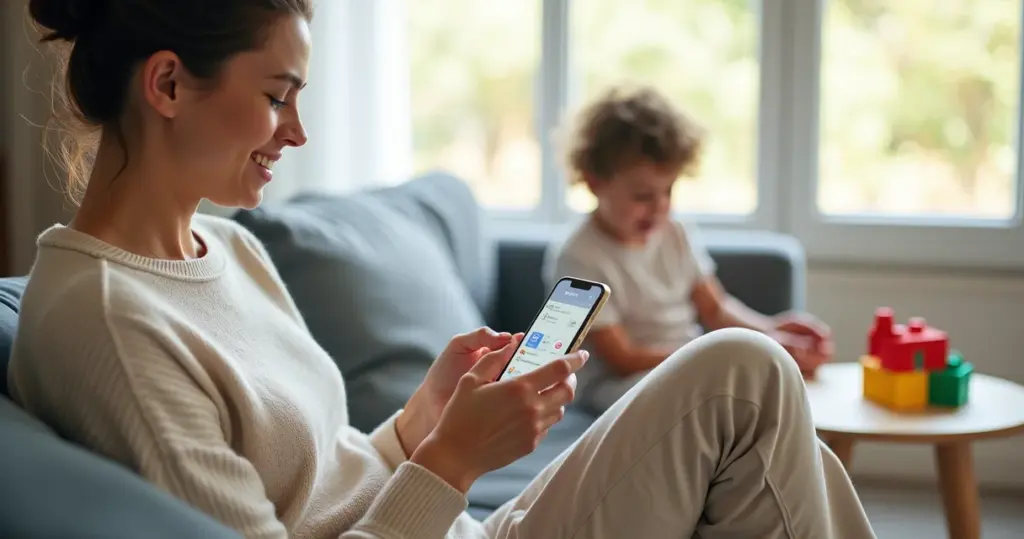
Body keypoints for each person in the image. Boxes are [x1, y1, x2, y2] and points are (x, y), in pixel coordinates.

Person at [7, 1, 875, 538]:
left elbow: (326, 477)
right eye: (276, 96)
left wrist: (420, 423)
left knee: (772, 437)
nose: (297, 131)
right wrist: (453, 461)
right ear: (167, 85)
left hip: (467, 528)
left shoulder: (228, 248)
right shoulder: (109, 319)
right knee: (744, 376)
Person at [546, 85, 836, 414]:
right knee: (711, 399)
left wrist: (770, 332)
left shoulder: (676, 233)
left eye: (668, 190)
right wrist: (707, 358)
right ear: (594, 182)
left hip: (689, 364)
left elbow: (716, 308)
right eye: (643, 196)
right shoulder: (580, 255)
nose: (660, 206)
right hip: (617, 386)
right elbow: (622, 359)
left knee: (761, 391)